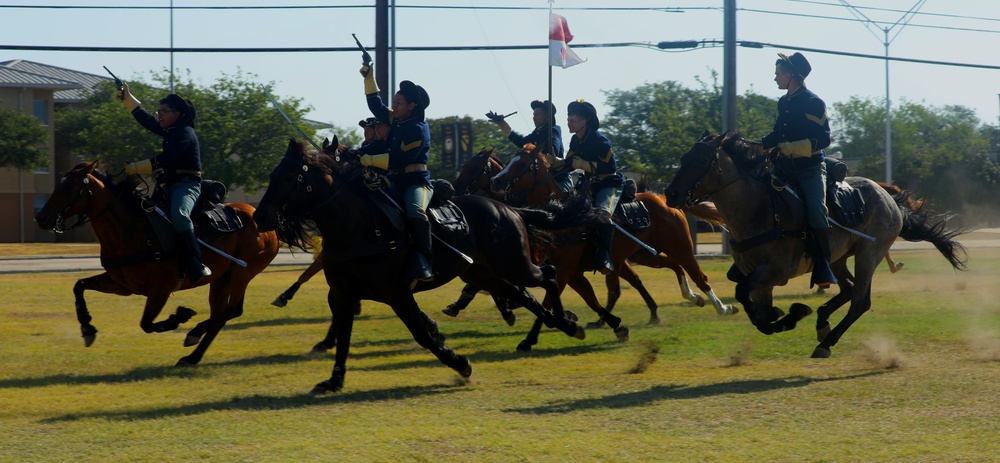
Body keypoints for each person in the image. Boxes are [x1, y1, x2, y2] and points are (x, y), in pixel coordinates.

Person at [117, 83, 211, 284]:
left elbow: (167, 158)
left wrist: (136, 167)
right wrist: (127, 98)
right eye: (158, 111)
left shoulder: (185, 133)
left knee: (179, 216)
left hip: (186, 185)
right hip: (168, 185)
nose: (159, 115)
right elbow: (146, 120)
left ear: (178, 114)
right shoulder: (171, 131)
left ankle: (196, 262)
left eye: (164, 112)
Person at [759, 52, 837, 289]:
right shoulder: (784, 102)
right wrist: (755, 145)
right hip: (784, 169)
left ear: (791, 75)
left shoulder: (813, 102)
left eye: (777, 74)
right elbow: (775, 135)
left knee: (816, 211)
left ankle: (824, 264)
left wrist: (794, 147)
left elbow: (824, 139)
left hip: (810, 169)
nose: (775, 79)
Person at [359, 63, 434, 286]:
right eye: (394, 102)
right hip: (395, 181)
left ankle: (425, 262)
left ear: (411, 106)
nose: (393, 106)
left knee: (415, 211)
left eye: (398, 103)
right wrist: (368, 77)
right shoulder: (398, 121)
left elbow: (402, 160)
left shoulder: (417, 128)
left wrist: (370, 160)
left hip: (416, 183)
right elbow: (376, 104)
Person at [552, 100, 623, 275]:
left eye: (573, 120)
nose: (569, 122)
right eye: (568, 119)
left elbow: (610, 168)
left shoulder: (600, 140)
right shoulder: (575, 140)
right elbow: (568, 164)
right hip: (589, 185)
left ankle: (605, 257)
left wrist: (583, 164)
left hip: (608, 184)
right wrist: (554, 163)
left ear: (584, 122)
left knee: (603, 215)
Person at [486, 100, 571, 192]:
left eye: (537, 115)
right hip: (538, 177)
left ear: (547, 117)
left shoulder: (553, 131)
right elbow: (521, 141)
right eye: (533, 115)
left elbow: (554, 150)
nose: (533, 118)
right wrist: (502, 124)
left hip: (558, 178)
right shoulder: (536, 133)